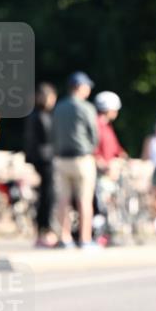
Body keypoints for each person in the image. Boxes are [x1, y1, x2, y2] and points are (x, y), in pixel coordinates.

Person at [52, 71, 98, 248]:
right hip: (81, 158)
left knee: (63, 201)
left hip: (61, 158)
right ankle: (85, 238)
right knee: (84, 200)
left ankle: (65, 237)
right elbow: (94, 135)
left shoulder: (59, 107)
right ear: (80, 87)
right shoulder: (86, 108)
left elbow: (53, 133)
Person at [24, 82, 58, 248]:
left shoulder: (37, 115)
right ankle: (45, 231)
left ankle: (43, 231)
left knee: (46, 197)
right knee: (47, 197)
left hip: (42, 160)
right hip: (45, 160)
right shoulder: (40, 116)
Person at [94, 91, 127, 172]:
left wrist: (122, 155)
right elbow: (94, 149)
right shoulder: (96, 125)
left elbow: (115, 148)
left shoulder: (107, 126)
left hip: (109, 169)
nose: (116, 112)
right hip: (102, 171)